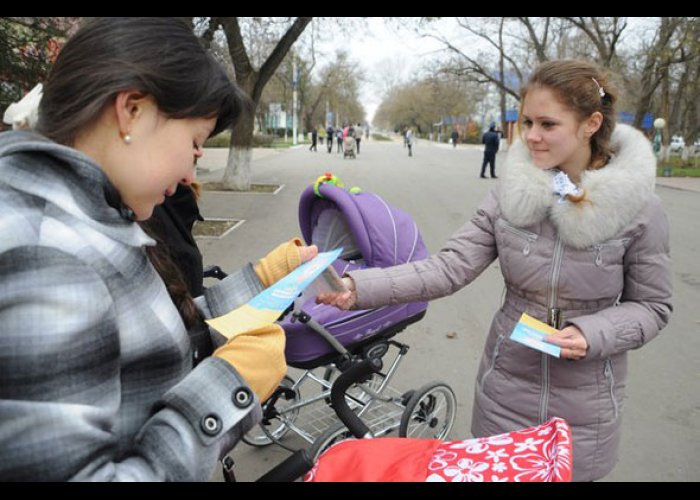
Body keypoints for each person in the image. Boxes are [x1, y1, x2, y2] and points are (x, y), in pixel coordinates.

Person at [317, 59, 673, 482]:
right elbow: (448, 269)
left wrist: (593, 333)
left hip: (587, 410)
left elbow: (653, 307)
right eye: (527, 122)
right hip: (504, 395)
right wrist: (357, 287)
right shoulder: (509, 197)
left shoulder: (641, 211)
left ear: (590, 123)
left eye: (548, 124)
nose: (532, 137)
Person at [0, 17, 318, 481]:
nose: (194, 169)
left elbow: (142, 337)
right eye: (194, 143)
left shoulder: (87, 215)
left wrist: (265, 279)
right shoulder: (47, 254)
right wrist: (228, 389)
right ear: (132, 110)